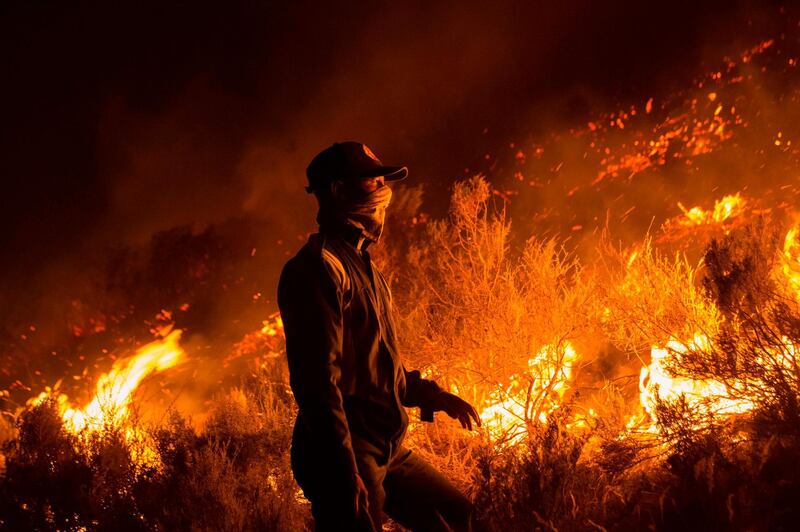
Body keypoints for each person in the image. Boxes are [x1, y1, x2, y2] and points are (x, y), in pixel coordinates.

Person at [278, 141, 482, 531]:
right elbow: (317, 383)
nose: (384, 193)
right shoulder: (318, 269)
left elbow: (374, 365)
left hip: (385, 448)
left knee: (461, 521)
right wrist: (343, 470)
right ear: (337, 190)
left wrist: (430, 395)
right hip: (345, 453)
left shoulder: (365, 267)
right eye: (372, 182)